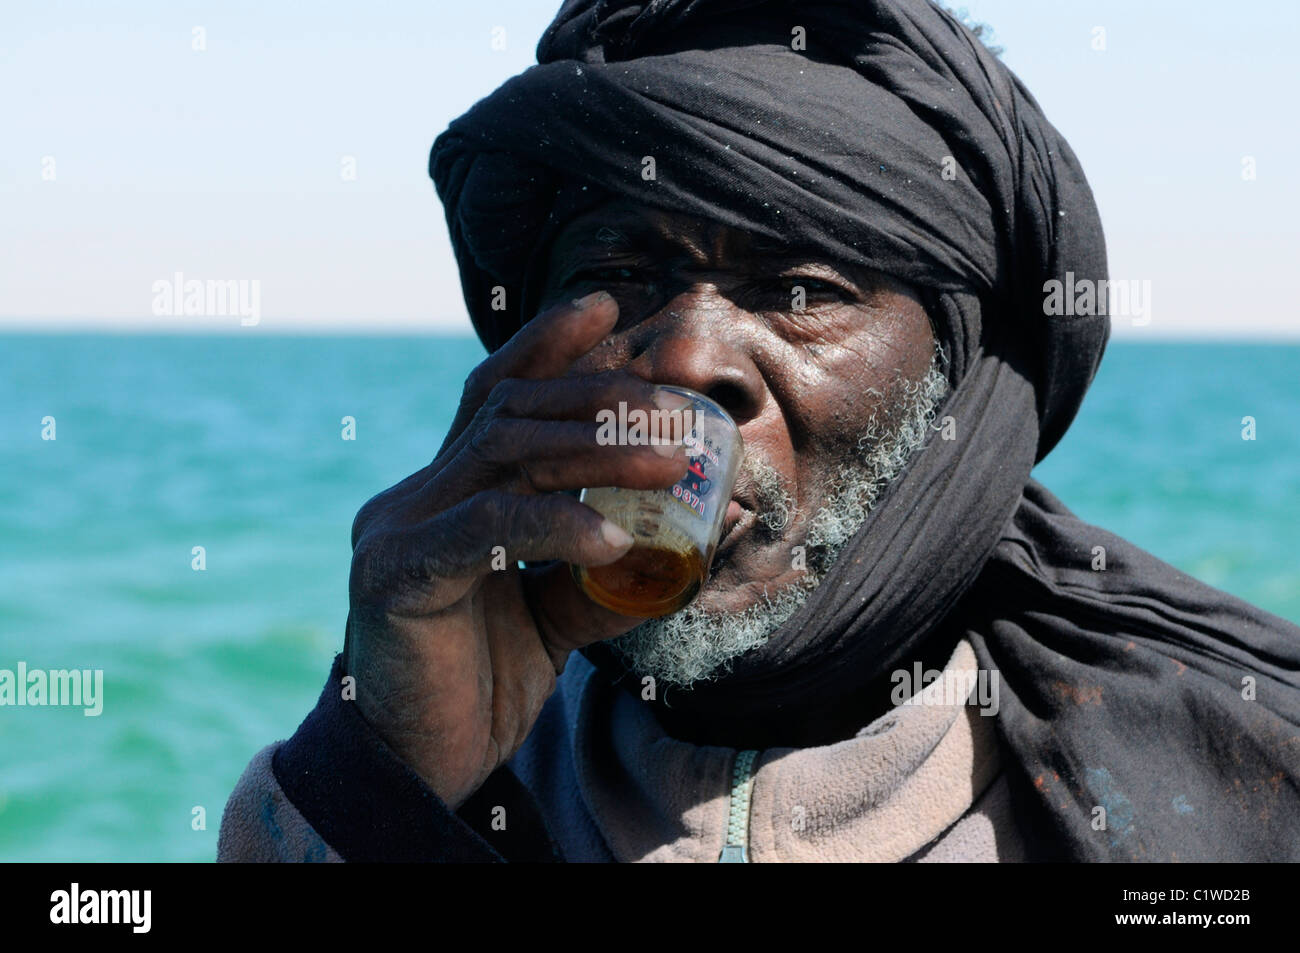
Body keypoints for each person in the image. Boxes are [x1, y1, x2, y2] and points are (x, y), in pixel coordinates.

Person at [217, 0, 1300, 862]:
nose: (685, 359)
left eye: (795, 286)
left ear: (961, 380)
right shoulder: (414, 772)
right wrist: (380, 780)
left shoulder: (1238, 774)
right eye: (616, 274)